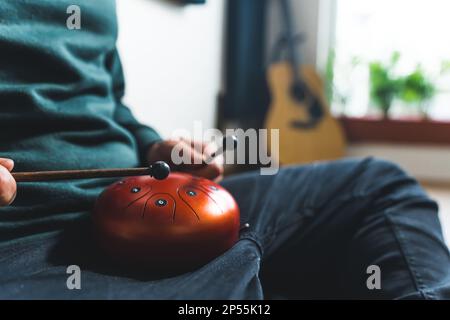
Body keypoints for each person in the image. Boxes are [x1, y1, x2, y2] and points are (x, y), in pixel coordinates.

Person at [0, 0, 449, 299]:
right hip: (26, 243)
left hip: (138, 193)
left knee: (376, 184)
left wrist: (154, 145)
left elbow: (109, 101)